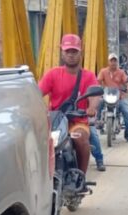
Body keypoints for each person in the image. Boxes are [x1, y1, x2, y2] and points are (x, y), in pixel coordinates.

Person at [37, 34, 100, 174]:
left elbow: (95, 95)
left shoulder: (89, 76)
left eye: (74, 51)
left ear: (80, 53)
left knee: (81, 139)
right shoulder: (52, 74)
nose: (71, 55)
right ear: (62, 53)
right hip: (55, 122)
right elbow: (37, 93)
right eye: (67, 51)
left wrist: (91, 107)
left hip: (77, 122)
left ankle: (80, 177)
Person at [97, 53, 128, 143]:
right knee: (99, 103)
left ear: (117, 62)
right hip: (107, 96)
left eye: (115, 61)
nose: (113, 63)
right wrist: (98, 88)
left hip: (119, 97)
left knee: (126, 112)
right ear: (108, 62)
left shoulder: (121, 72)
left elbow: (127, 81)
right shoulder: (103, 71)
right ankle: (98, 122)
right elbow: (98, 80)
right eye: (111, 61)